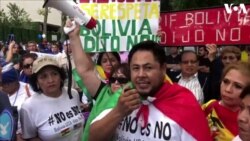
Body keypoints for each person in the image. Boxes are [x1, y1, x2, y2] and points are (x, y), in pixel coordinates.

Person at [67, 21, 211, 141]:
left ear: (163, 69)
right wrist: (119, 112)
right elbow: (93, 137)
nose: (141, 74)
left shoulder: (184, 103)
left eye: (148, 67)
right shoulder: (121, 98)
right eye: (135, 68)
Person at [20, 57, 84, 141]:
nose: (50, 80)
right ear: (36, 81)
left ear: (61, 76)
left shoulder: (73, 93)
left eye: (54, 74)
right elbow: (31, 137)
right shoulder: (28, 106)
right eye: (43, 76)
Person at [203, 62, 250, 141]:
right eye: (225, 81)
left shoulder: (246, 120)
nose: (228, 89)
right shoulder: (208, 106)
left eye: (238, 86)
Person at [1, 63, 35, 141]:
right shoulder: (2, 95)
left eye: (4, 84)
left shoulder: (29, 90)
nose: (2, 87)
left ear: (15, 81)